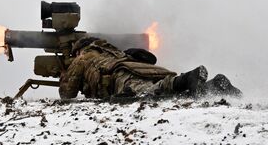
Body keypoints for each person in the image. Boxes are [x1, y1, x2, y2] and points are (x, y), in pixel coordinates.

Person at [59, 37, 241, 101]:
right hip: (147, 70)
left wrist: (63, 74)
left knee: (147, 94)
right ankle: (215, 85)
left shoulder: (84, 57)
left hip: (123, 76)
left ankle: (188, 78)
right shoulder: (112, 51)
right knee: (169, 92)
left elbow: (68, 93)